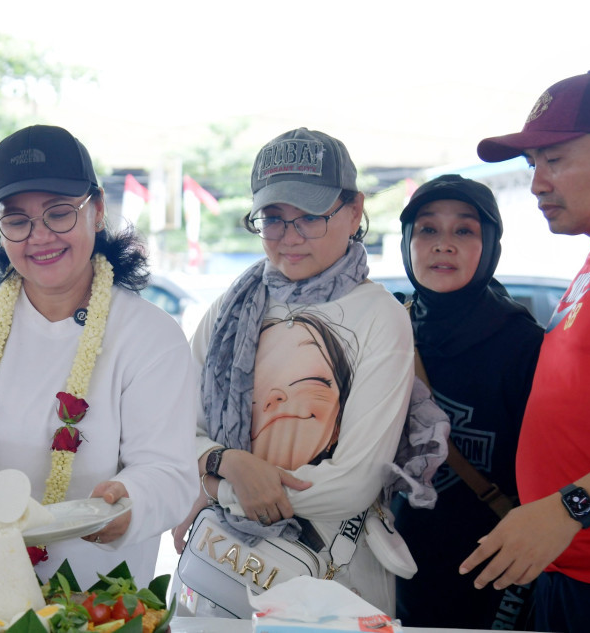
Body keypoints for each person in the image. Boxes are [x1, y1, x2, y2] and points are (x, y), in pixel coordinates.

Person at [0, 124, 198, 586]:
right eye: (17, 220)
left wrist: (131, 500)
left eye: (59, 213)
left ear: (97, 210)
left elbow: (170, 471)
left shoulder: (151, 335)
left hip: (95, 600)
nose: (40, 236)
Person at [175, 127, 418, 617]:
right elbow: (174, 428)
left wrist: (218, 488)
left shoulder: (381, 317)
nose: (289, 237)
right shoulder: (231, 308)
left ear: (354, 211)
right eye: (273, 219)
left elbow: (353, 483)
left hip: (334, 576)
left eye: (310, 217)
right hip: (219, 568)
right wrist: (228, 461)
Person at [461, 70, 590, 632]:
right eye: (532, 163)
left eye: (555, 160)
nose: (537, 183)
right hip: (571, 574)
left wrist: (570, 507)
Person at [392, 175, 543, 629]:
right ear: (408, 241)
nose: (444, 244)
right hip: (395, 567)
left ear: (490, 245)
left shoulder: (523, 345)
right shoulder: (389, 330)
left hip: (494, 573)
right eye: (428, 229)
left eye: (464, 230)